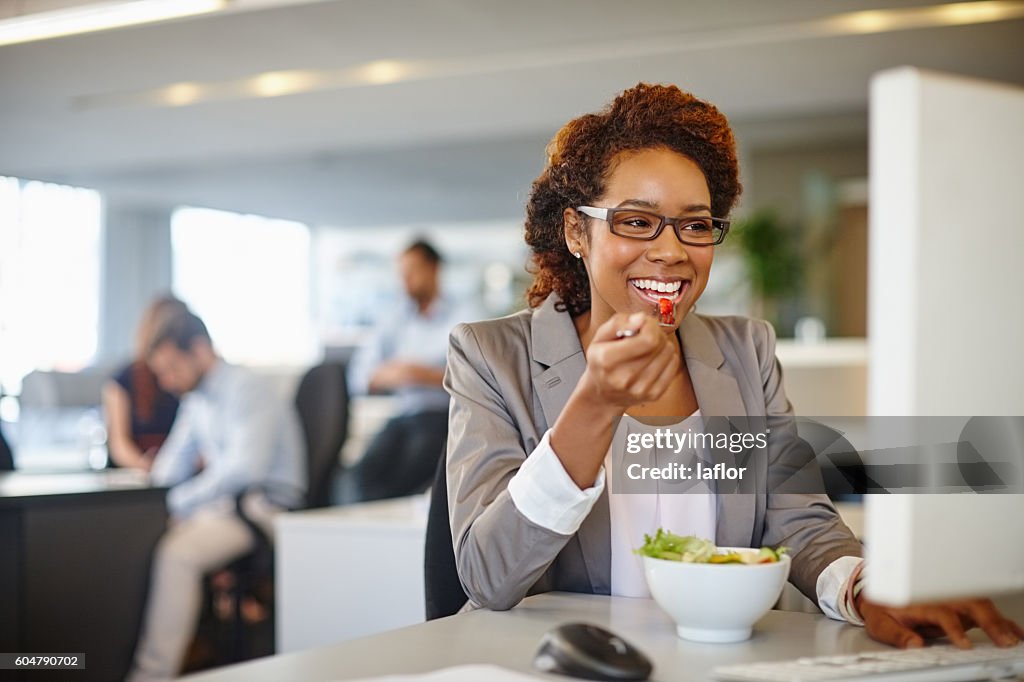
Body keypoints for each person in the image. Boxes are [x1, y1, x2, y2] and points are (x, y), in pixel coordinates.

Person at [444, 83, 1024, 649]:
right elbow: (488, 576)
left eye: (696, 225)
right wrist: (595, 402)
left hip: (722, 660)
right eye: (636, 221)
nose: (671, 251)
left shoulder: (745, 351)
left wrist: (869, 590)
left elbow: (798, 520)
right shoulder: (491, 357)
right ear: (577, 231)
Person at [127, 309, 306, 682]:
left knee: (177, 555)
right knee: (144, 535)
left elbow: (246, 470)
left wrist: (180, 501)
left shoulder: (246, 387)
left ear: (199, 348)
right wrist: (145, 493)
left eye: (172, 368)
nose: (168, 381)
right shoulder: (198, 398)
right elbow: (171, 464)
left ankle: (150, 675)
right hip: (227, 506)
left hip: (264, 507)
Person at [346, 239, 476, 501]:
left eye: (412, 271)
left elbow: (478, 379)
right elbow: (360, 377)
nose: (405, 280)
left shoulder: (465, 315)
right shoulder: (394, 319)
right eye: (402, 272)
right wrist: (400, 373)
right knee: (363, 474)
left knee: (406, 477)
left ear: (434, 269)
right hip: (405, 414)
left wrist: (419, 375)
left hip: (444, 417)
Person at [103, 295, 188, 470]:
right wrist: (149, 467)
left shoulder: (191, 386)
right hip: (136, 477)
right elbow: (119, 445)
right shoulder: (122, 381)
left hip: (177, 473)